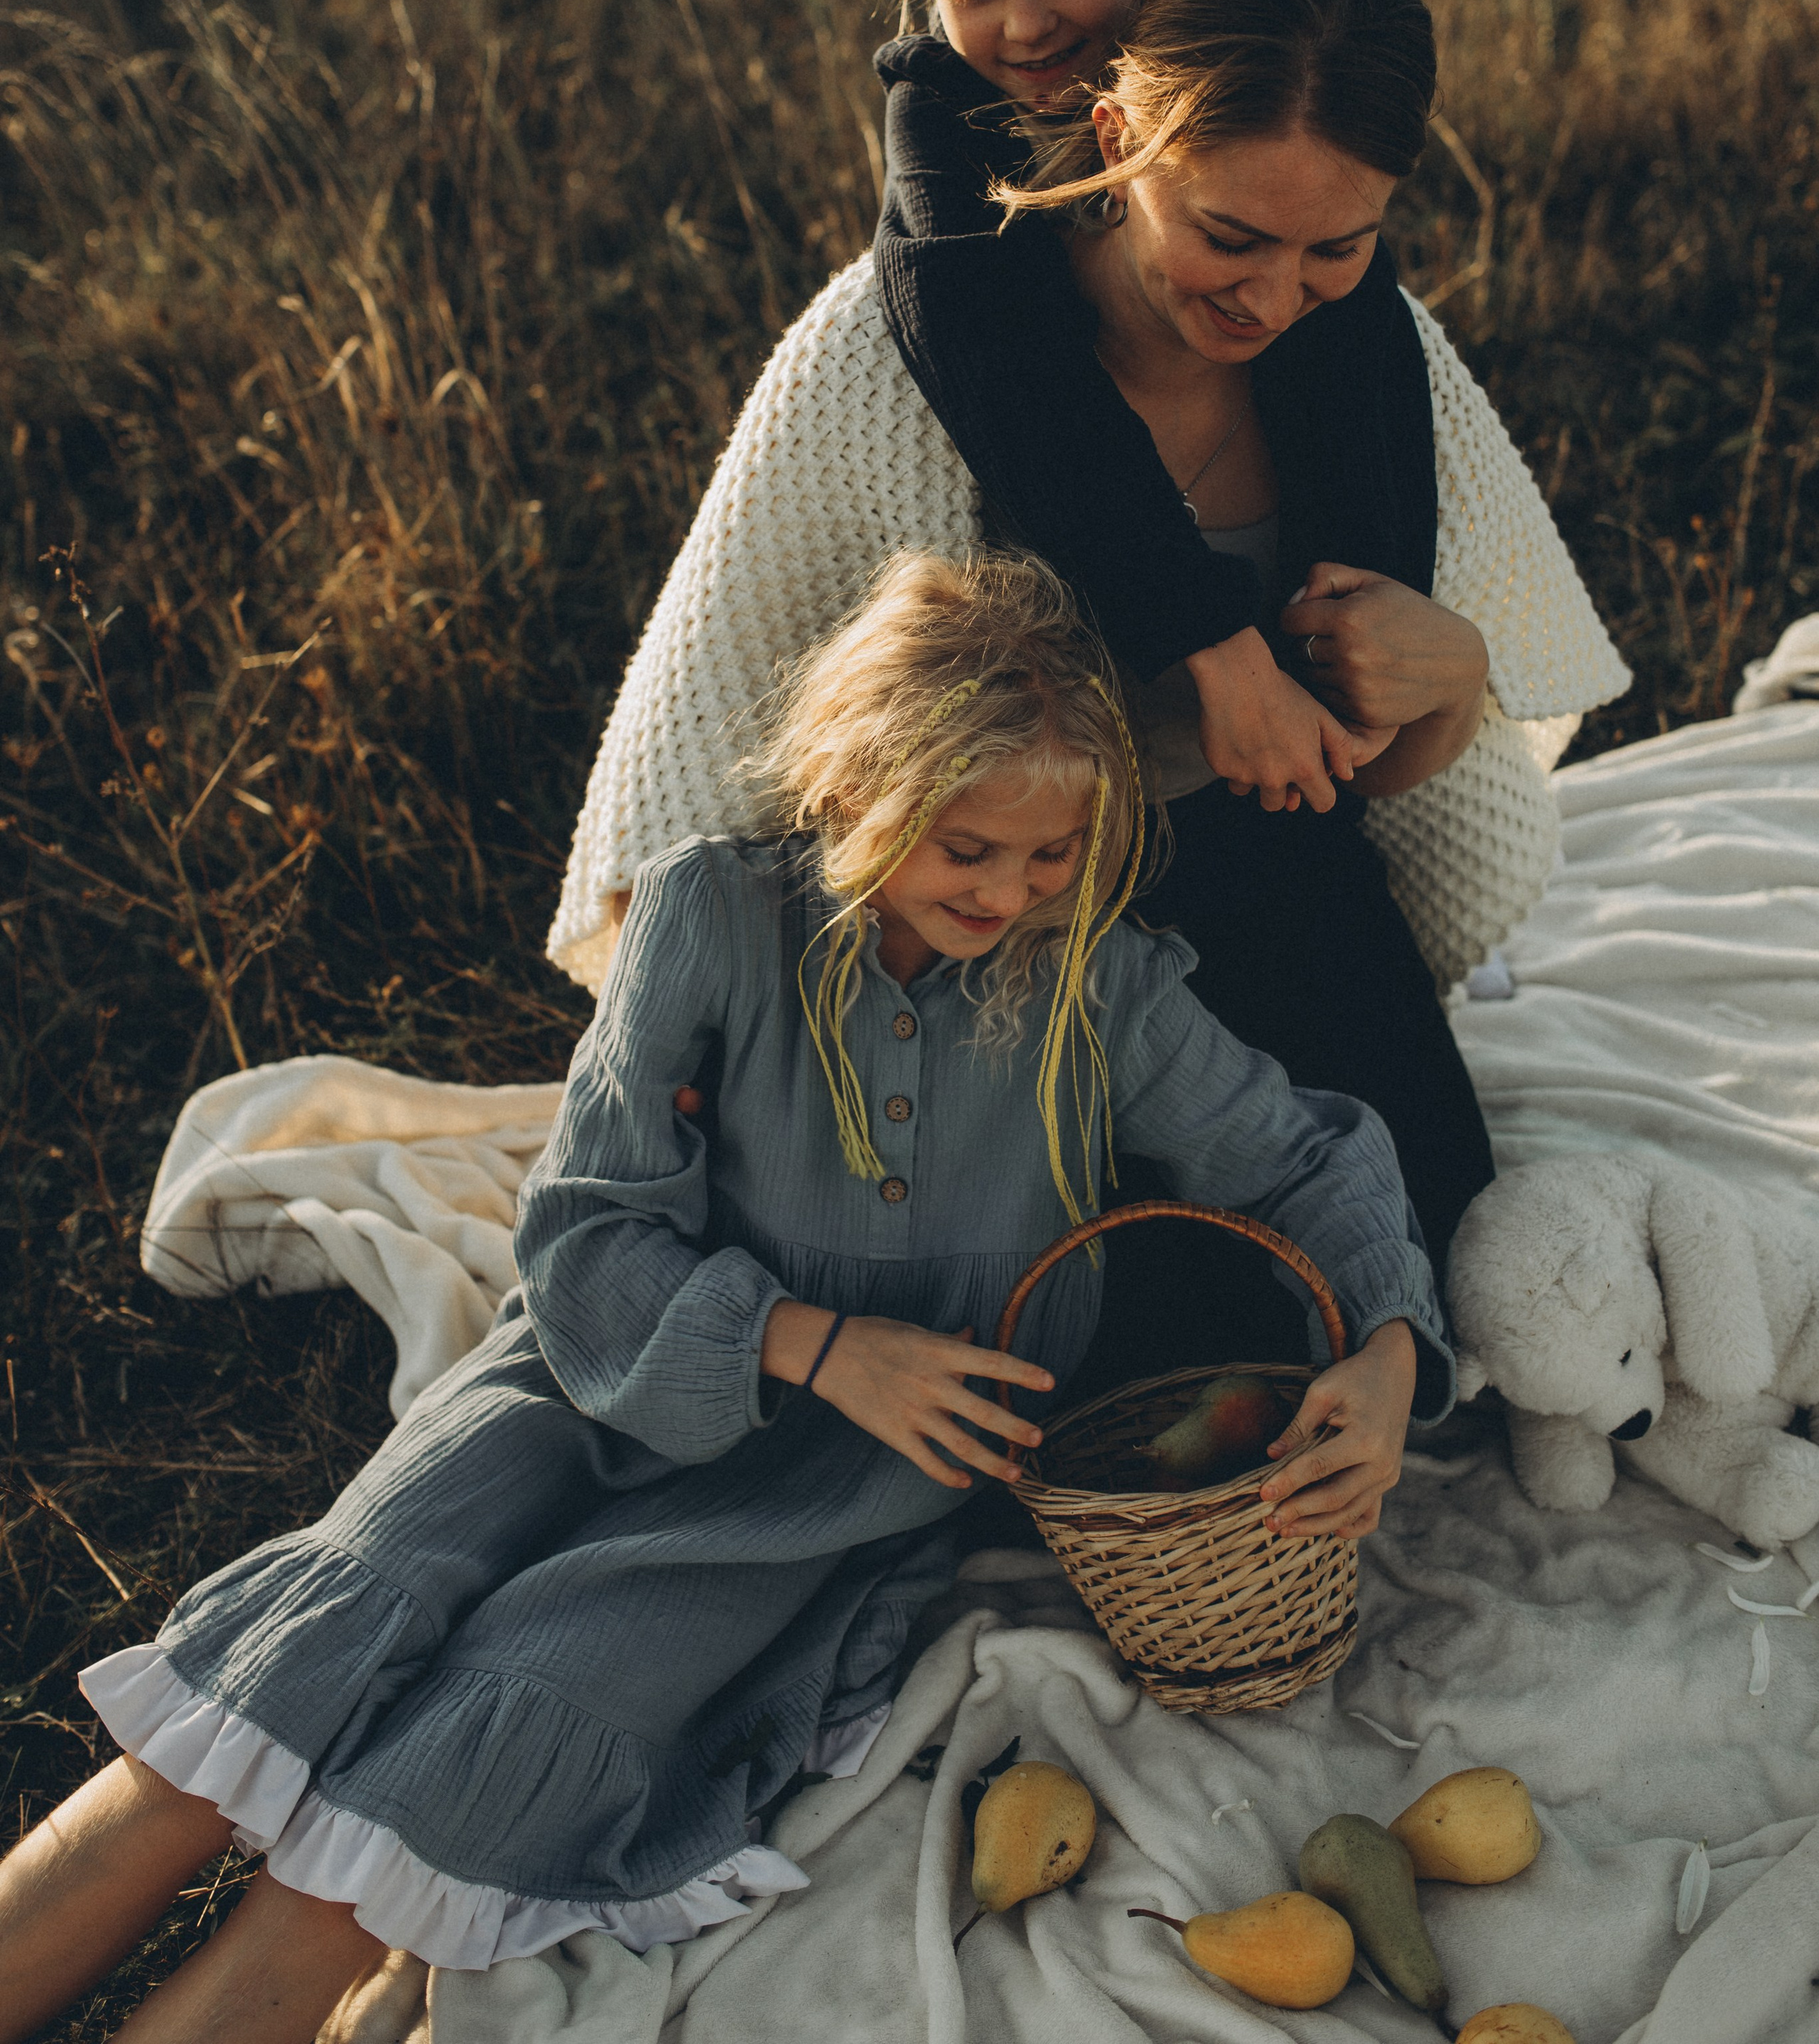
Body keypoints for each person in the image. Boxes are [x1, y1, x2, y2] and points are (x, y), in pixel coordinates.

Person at [0, 554, 1449, 2044]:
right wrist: (812, 1340)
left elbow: (1303, 1159)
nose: (1011, 891)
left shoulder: (1096, 987)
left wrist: (1391, 1345)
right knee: (270, 1680)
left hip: (817, 1487)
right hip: (577, 1383)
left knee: (453, 1770)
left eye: (1052, 856)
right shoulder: (711, 915)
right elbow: (582, 1233)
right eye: (966, 849)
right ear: (853, 792)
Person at [551, 0, 1627, 1343]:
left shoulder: (1358, 339)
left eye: (1330, 250)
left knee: (1422, 1261)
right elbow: (721, 704)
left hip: (1258, 881)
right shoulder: (905, 335)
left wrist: (1448, 678)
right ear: (1126, 135)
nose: (1274, 294)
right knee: (1103, 1328)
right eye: (1227, 238)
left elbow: (1359, 783)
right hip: (989, 926)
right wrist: (682, 1042)